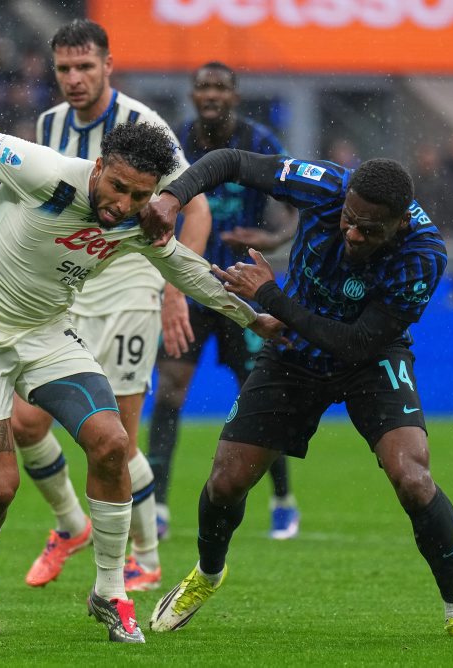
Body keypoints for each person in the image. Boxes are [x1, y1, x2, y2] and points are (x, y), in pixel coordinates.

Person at [0, 86, 284, 644]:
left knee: (112, 443)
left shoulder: (140, 218)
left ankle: (111, 592)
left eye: (139, 195)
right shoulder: (43, 171)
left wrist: (254, 319)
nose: (123, 204)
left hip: (47, 334)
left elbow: (185, 267)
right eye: (117, 186)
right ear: (98, 168)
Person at [143, 149, 453, 640]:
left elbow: (356, 343)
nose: (352, 233)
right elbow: (232, 162)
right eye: (348, 219)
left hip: (370, 358)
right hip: (293, 352)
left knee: (413, 478)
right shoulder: (325, 185)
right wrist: (172, 196)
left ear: (399, 225)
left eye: (369, 230)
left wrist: (270, 297)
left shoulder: (423, 255)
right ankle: (207, 574)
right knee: (226, 481)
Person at [11, 18, 211, 594]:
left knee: (117, 438)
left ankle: (144, 558)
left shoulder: (144, 127)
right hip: (69, 287)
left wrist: (175, 289)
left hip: (128, 287)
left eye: (85, 67)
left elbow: (196, 210)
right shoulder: (50, 124)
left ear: (108, 66)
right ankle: (71, 525)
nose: (74, 78)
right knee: (25, 423)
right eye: (64, 68)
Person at [148, 61, 301, 542]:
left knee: (259, 393)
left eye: (220, 87)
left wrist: (273, 239)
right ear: (192, 94)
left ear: (235, 96)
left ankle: (282, 499)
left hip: (243, 286)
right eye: (203, 87)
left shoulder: (259, 142)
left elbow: (299, 204)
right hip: (187, 285)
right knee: (170, 390)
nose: (211, 94)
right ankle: (157, 507)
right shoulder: (172, 142)